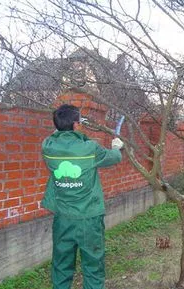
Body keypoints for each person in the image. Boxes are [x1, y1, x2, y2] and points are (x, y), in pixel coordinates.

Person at [41, 104, 124, 289]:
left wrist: (63, 125)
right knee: (93, 267)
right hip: (89, 219)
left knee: (61, 266)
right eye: (79, 122)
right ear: (77, 125)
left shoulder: (47, 147)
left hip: (63, 218)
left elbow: (55, 135)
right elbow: (114, 158)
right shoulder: (90, 148)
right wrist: (117, 148)